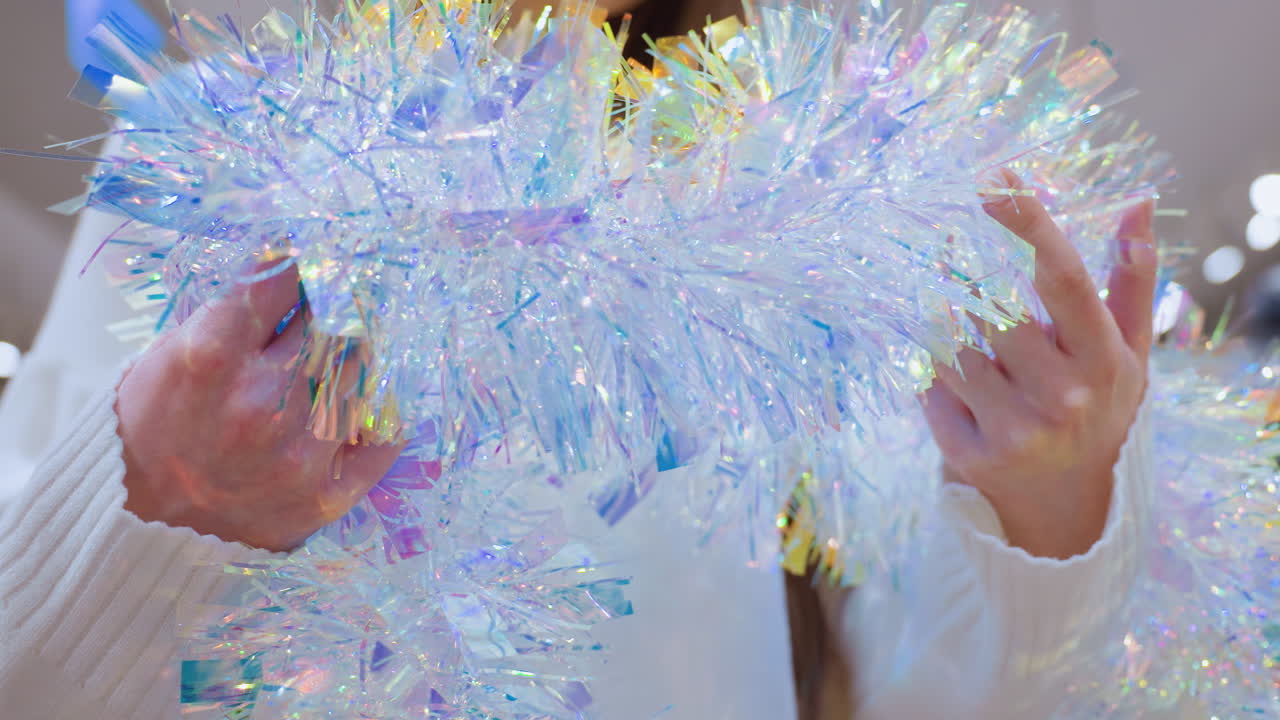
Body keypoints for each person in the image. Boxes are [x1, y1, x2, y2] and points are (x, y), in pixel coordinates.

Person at [0, 1, 1180, 718]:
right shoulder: (217, 151)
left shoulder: (827, 217)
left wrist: (1049, 514)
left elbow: (933, 695)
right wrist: (140, 503)